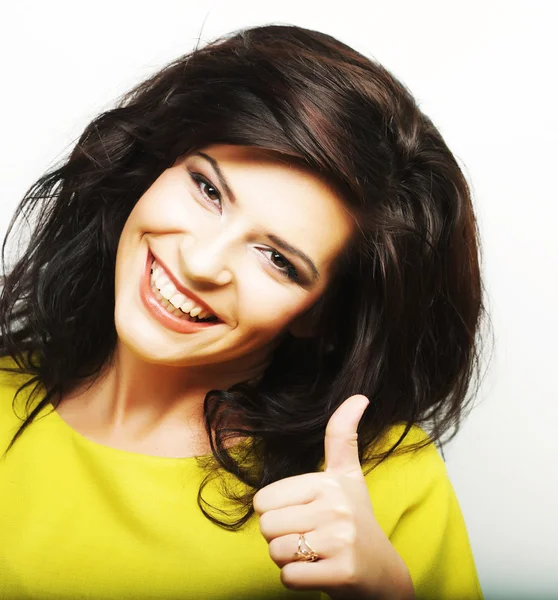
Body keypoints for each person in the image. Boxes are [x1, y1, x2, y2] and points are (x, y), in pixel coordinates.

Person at [0, 23, 486, 600]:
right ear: (155, 166)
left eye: (278, 259)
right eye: (208, 189)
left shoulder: (383, 485)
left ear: (322, 316)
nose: (202, 261)